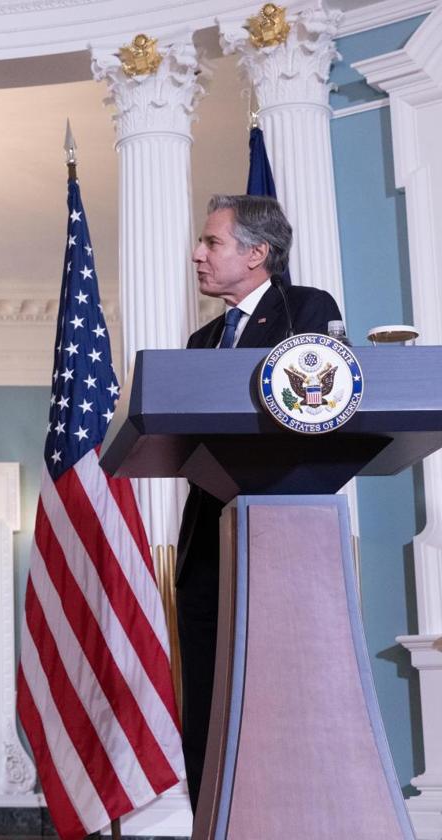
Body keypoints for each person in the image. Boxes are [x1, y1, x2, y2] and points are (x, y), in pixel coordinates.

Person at [176, 194, 342, 810]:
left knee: (276, 693)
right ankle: (210, 817)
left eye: (212, 242)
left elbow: (319, 405)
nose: (198, 254)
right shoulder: (202, 339)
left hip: (279, 536)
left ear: (257, 253)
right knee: (208, 701)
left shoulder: (305, 310)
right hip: (206, 543)